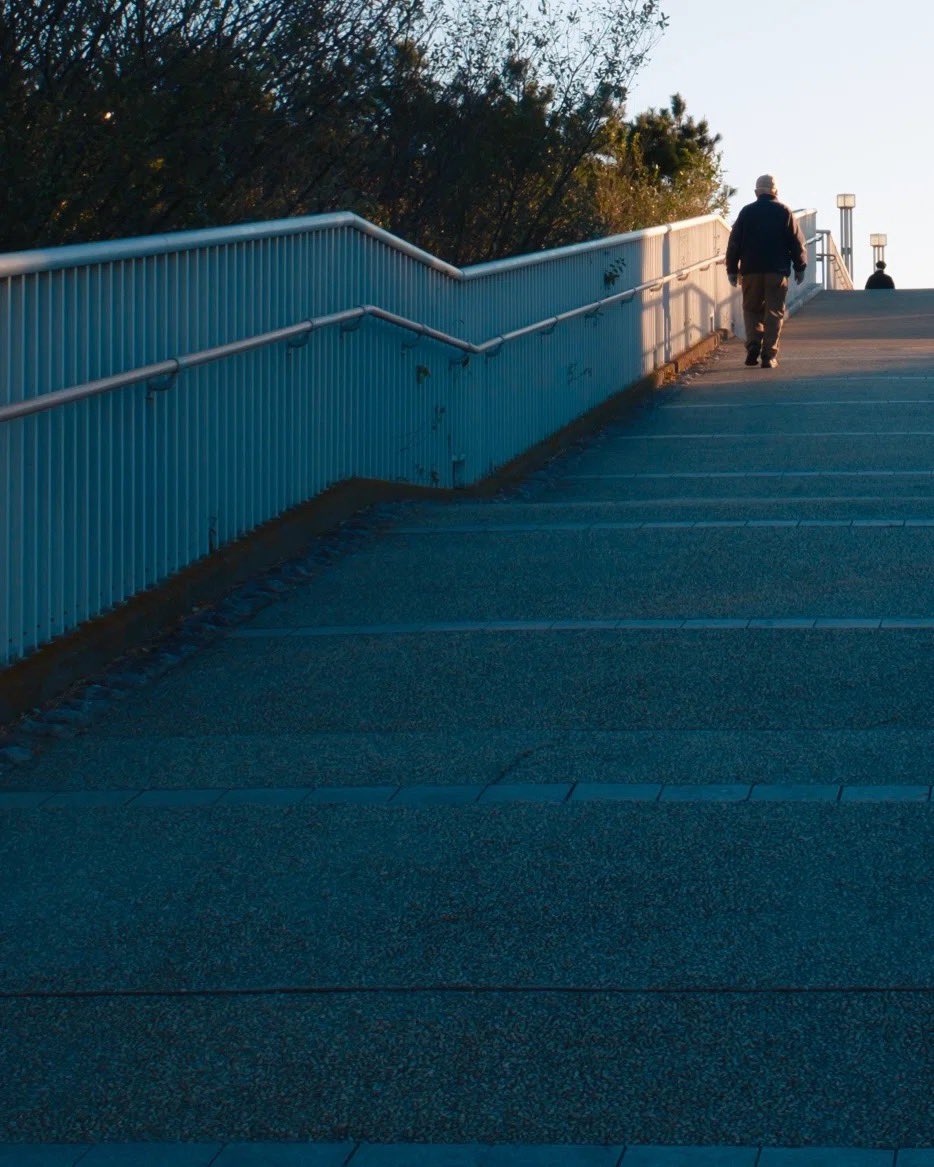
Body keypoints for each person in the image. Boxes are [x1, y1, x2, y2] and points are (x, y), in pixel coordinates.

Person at [726, 174, 808, 368]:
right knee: (774, 312)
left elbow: (734, 243)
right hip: (776, 271)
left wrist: (731, 269)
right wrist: (800, 266)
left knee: (751, 309)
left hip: (750, 271)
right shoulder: (784, 212)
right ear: (776, 192)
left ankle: (753, 344)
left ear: (756, 192)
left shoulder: (746, 212)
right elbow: (797, 242)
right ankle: (768, 355)